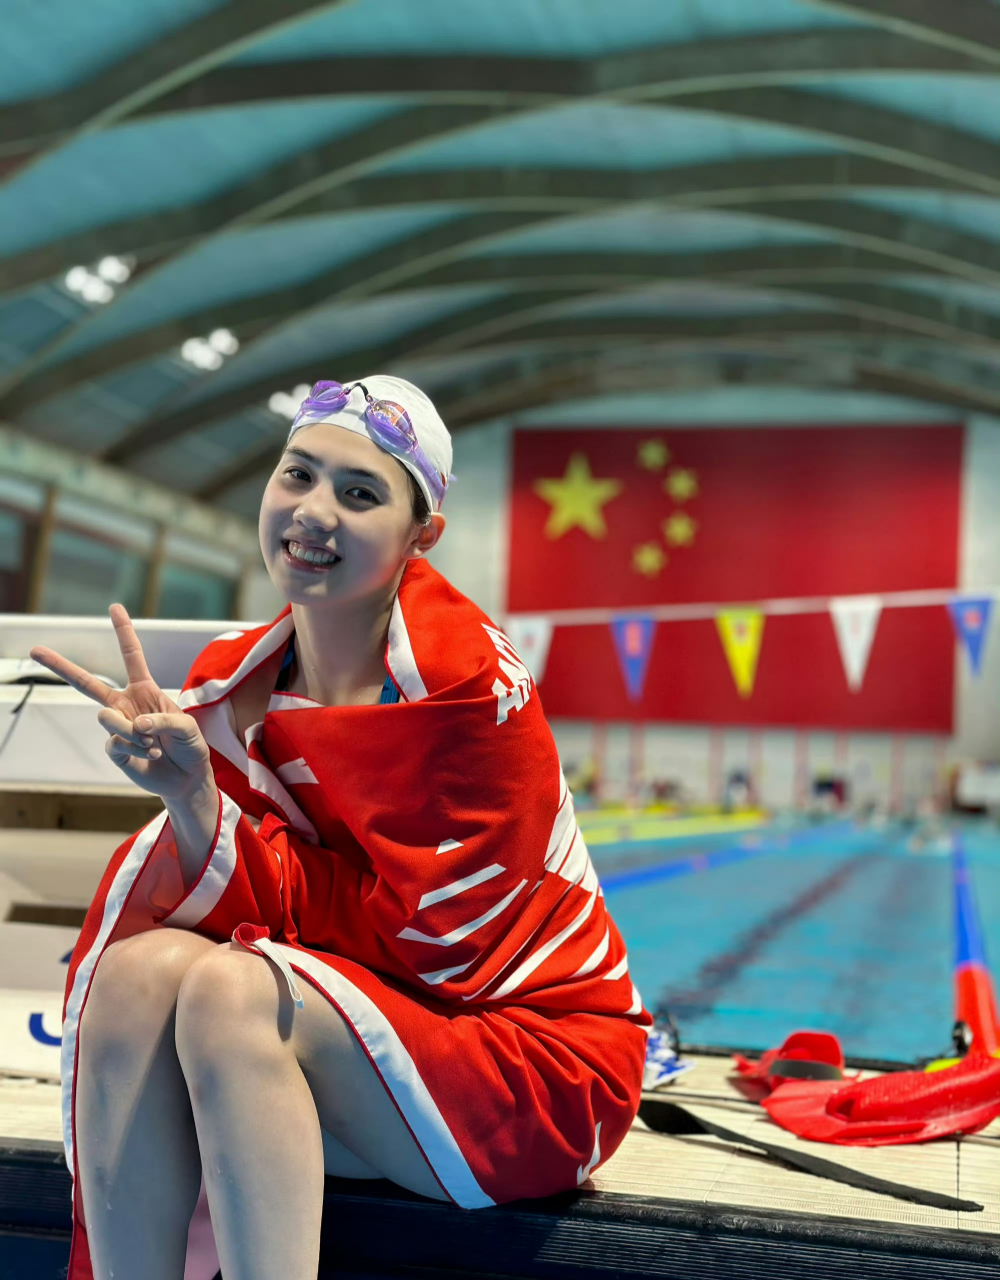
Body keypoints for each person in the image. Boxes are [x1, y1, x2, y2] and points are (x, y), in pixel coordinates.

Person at [33, 376, 650, 1280]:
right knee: (139, 975)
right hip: (376, 1041)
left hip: (536, 1059)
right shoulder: (237, 687)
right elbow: (282, 903)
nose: (313, 512)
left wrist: (203, 812)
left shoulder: (471, 699)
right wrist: (187, 797)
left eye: (359, 494)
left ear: (419, 536)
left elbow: (438, 953)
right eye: (297, 475)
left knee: (235, 994)